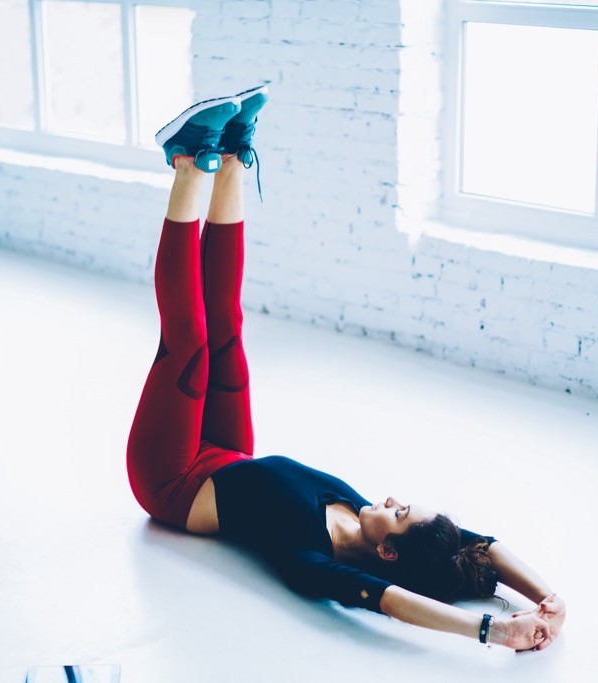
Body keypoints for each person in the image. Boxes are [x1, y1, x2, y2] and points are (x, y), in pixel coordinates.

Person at [127, 86, 566, 652]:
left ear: (388, 552)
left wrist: (495, 630)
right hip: (229, 452)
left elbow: (393, 603)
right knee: (229, 329)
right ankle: (233, 158)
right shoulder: (368, 520)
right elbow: (482, 547)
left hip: (172, 479)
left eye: (399, 512)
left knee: (188, 341)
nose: (389, 498)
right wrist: (550, 596)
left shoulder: (311, 561)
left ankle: (189, 162)